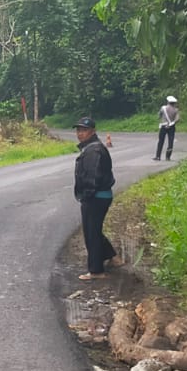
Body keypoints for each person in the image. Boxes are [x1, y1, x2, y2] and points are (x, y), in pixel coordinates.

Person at [73, 115, 116, 280]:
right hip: (99, 196)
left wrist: (86, 196)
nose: (80, 133)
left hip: (96, 197)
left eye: (84, 130)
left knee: (91, 233)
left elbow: (92, 177)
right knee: (94, 230)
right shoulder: (92, 147)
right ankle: (113, 257)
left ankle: (96, 271)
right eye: (78, 130)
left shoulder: (93, 150)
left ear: (92, 131)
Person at [155, 95, 180, 161]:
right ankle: (168, 157)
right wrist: (172, 122)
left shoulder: (163, 108)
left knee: (161, 141)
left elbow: (159, 116)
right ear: (174, 103)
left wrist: (161, 118)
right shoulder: (176, 110)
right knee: (170, 141)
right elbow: (177, 119)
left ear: (168, 102)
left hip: (163, 126)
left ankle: (158, 156)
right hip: (172, 127)